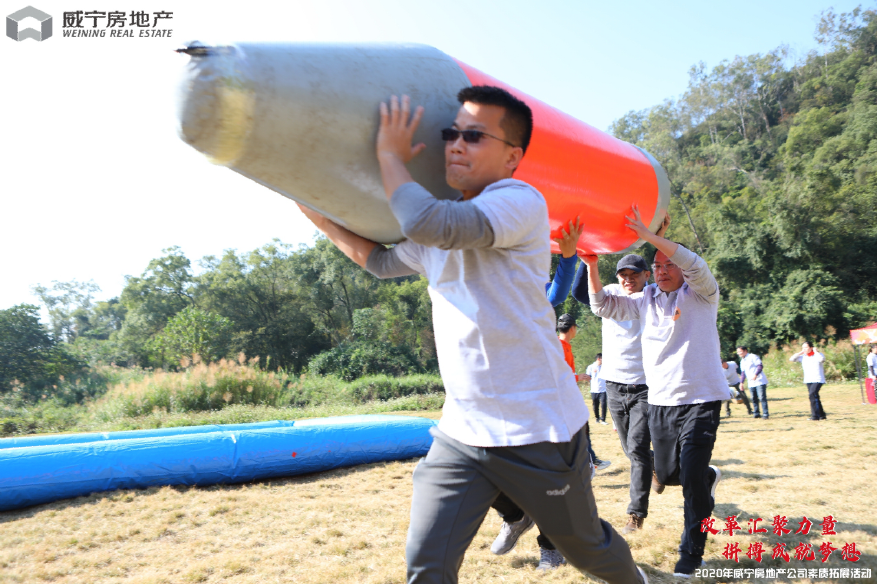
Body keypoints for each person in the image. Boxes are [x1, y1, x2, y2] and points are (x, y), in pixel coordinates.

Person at [296, 86, 647, 584]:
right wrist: (319, 217)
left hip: (538, 430)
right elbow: (377, 261)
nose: (456, 145)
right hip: (463, 431)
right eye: (451, 134)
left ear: (512, 157)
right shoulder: (435, 226)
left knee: (585, 549)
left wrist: (389, 157)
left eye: (474, 136)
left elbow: (431, 222)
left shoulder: (518, 201)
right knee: (427, 561)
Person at [582, 204, 726, 578]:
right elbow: (601, 305)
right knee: (667, 473)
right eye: (657, 267)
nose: (661, 272)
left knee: (690, 479)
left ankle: (691, 554)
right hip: (660, 401)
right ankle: (704, 478)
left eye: (667, 265)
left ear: (682, 269)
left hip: (700, 398)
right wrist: (590, 263)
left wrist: (649, 235)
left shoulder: (702, 294)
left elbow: (694, 262)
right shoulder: (645, 300)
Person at [572, 232, 669, 535]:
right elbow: (580, 292)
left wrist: (658, 236)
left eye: (634, 274)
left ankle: (635, 515)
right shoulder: (610, 291)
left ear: (645, 276)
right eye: (623, 274)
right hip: (613, 383)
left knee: (637, 448)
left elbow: (663, 266)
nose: (628, 279)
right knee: (630, 448)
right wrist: (587, 256)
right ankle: (655, 466)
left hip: (645, 384)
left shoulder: (656, 294)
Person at [789, 342, 827, 420]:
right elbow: (791, 359)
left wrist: (816, 352)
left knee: (812, 394)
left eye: (806, 347)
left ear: (811, 347)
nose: (804, 349)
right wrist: (800, 352)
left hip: (817, 379)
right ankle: (822, 415)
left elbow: (822, 360)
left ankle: (815, 416)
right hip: (808, 379)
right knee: (814, 396)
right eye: (803, 348)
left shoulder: (818, 355)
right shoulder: (803, 357)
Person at [737, 346, 769, 419]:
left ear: (745, 351)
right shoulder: (742, 361)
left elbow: (760, 366)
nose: (738, 353)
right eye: (738, 352)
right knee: (753, 398)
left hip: (759, 380)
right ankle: (756, 413)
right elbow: (743, 373)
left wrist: (755, 374)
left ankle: (765, 414)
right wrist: (741, 383)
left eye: (740, 351)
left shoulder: (753, 356)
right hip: (751, 382)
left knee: (762, 398)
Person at [585, 354, 608, 424]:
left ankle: (603, 419)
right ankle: (597, 418)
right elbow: (588, 376)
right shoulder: (591, 367)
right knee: (595, 404)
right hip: (594, 389)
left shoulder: (605, 367)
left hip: (603, 389)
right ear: (598, 359)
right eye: (602, 358)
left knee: (604, 404)